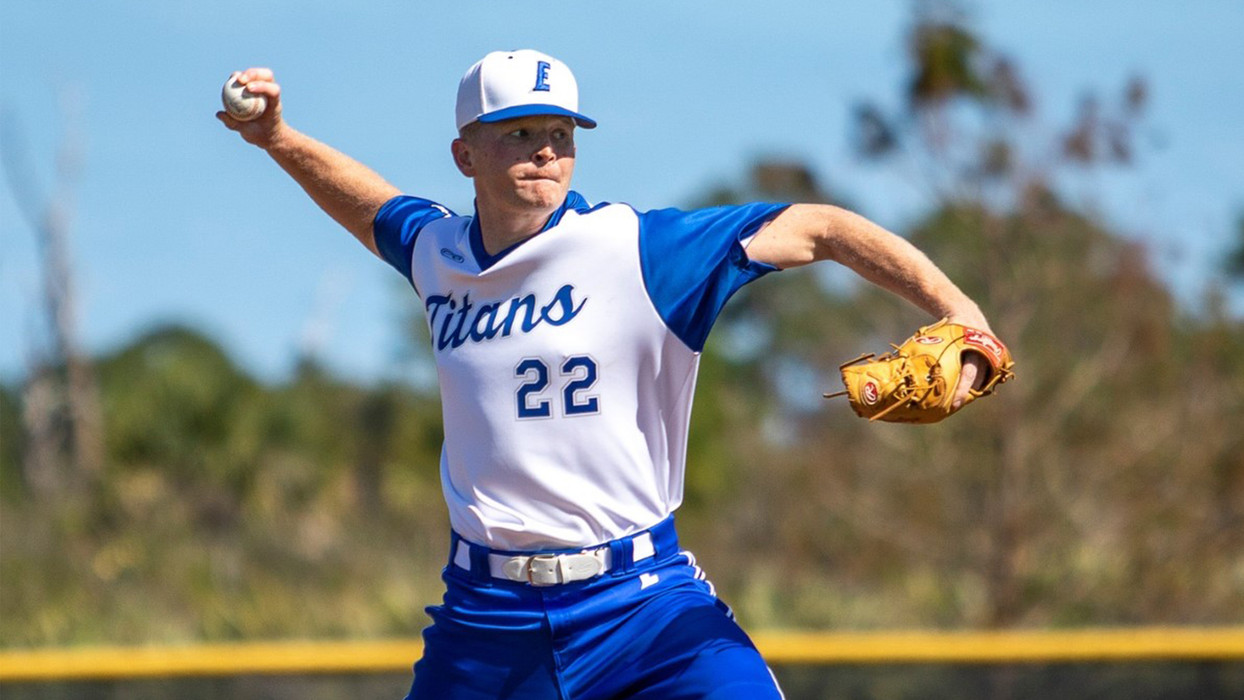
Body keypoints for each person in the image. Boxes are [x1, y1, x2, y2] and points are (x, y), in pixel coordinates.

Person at [219, 49, 996, 700]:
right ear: (465, 154)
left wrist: (961, 313)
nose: (546, 151)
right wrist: (277, 136)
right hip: (485, 621)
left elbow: (820, 228)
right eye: (519, 132)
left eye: (561, 133)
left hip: (643, 609)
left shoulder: (640, 250)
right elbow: (370, 206)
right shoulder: (437, 253)